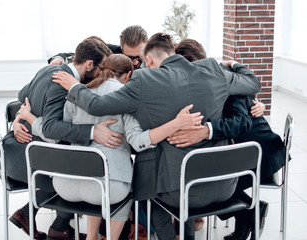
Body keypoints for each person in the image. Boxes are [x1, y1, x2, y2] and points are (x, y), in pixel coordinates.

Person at [51, 33, 262, 240]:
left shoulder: (144, 79)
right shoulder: (214, 69)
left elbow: (96, 106)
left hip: (179, 191)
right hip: (224, 184)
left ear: (148, 60)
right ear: (173, 51)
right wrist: (233, 64)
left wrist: (74, 86)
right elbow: (253, 84)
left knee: (143, 185)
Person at [19, 53, 204, 240]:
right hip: (106, 189)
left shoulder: (76, 93)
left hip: (65, 185)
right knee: (126, 184)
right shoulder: (126, 98)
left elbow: (53, 136)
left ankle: (92, 237)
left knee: (96, 174)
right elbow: (138, 142)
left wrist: (27, 117)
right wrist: (175, 124)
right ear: (129, 75)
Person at [171, 38, 287, 240]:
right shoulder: (211, 76)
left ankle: (249, 211)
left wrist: (206, 130)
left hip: (261, 153)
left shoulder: (223, 80)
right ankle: (247, 215)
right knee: (204, 176)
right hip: (246, 148)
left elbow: (241, 122)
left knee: (205, 183)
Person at [3, 38, 118, 240]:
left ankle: (49, 222)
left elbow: (23, 94)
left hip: (15, 155)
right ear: (89, 64)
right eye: (102, 68)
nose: (103, 74)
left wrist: (25, 114)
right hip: (30, 163)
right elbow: (50, 128)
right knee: (84, 174)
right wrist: (92, 131)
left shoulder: (47, 70)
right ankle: (61, 227)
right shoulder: (61, 83)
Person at [48, 25, 148, 69]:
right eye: (130, 58)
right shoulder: (111, 52)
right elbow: (81, 54)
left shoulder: (156, 58)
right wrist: (58, 58)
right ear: (121, 47)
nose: (135, 63)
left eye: (139, 58)